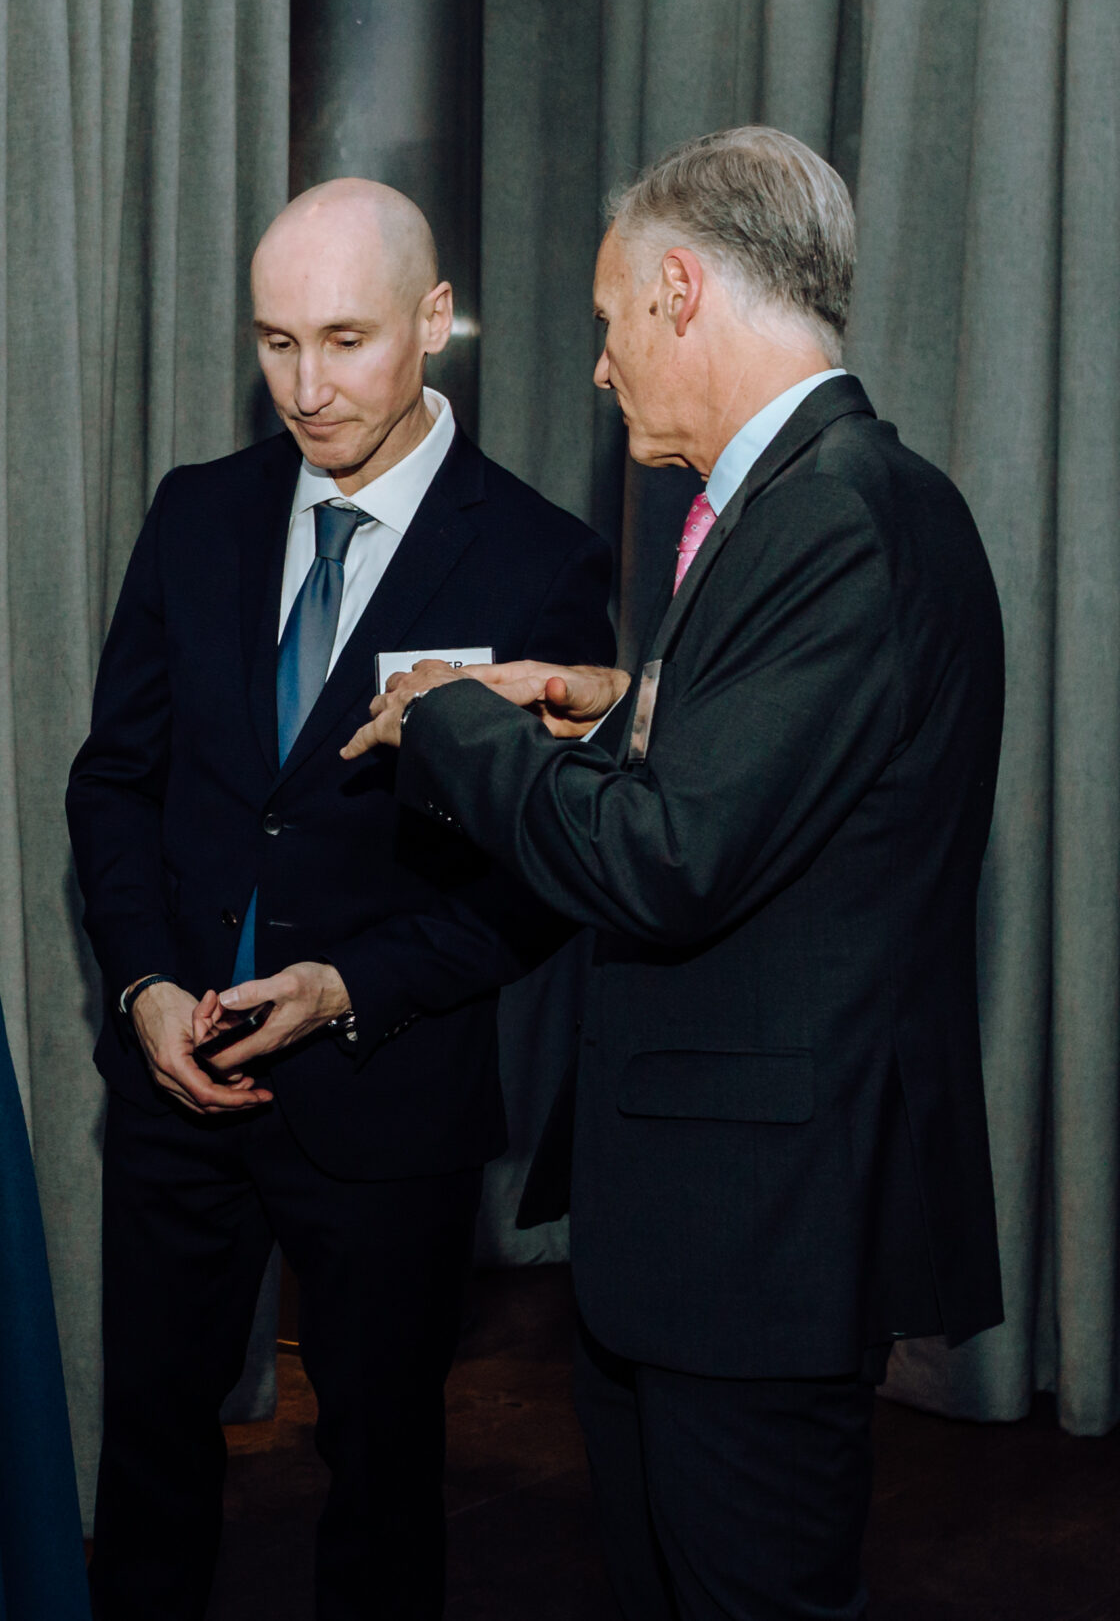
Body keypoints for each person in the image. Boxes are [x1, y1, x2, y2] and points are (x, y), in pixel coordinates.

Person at [344, 126, 1005, 1620]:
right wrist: (617, 702)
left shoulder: (829, 514)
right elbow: (794, 769)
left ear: (682, 290)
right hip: (723, 1226)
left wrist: (448, 715)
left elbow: (670, 859)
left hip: (754, 1235)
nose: (599, 366)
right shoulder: (840, 495)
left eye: (609, 318)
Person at [67, 179, 615, 1620]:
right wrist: (144, 986)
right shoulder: (198, 513)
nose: (305, 387)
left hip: (387, 1090)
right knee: (150, 1454)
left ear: (435, 320)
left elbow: (543, 873)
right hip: (178, 1075)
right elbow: (115, 783)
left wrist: (347, 986)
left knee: (382, 1475)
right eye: (275, 342)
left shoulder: (539, 558)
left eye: (345, 340)